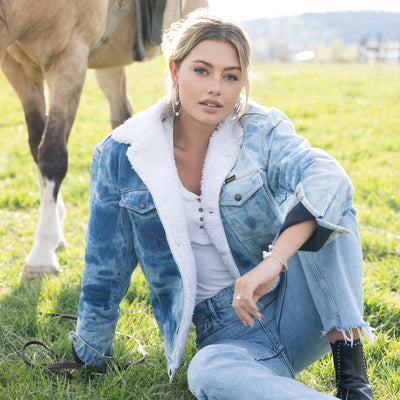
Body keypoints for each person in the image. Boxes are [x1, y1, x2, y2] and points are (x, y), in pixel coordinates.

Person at [69, 9, 374, 400]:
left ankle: (353, 382)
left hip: (297, 306)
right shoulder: (123, 155)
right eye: (202, 71)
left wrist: (273, 262)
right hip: (227, 336)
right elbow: (104, 268)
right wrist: (90, 351)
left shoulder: (260, 129)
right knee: (207, 374)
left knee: (331, 204)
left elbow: (328, 179)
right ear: (174, 70)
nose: (216, 87)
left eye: (230, 76)